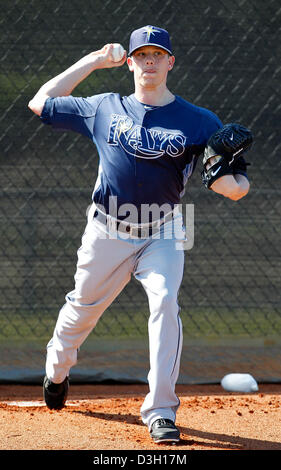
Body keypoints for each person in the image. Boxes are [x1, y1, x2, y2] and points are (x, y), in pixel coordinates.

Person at [28, 25, 250, 444]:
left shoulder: (200, 122)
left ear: (170, 62)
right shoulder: (103, 107)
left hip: (164, 229)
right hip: (107, 229)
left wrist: (224, 181)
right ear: (129, 62)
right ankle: (57, 370)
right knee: (81, 310)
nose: (150, 61)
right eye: (142, 55)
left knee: (166, 302)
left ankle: (161, 410)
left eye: (157, 54)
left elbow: (238, 188)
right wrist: (94, 60)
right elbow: (40, 102)